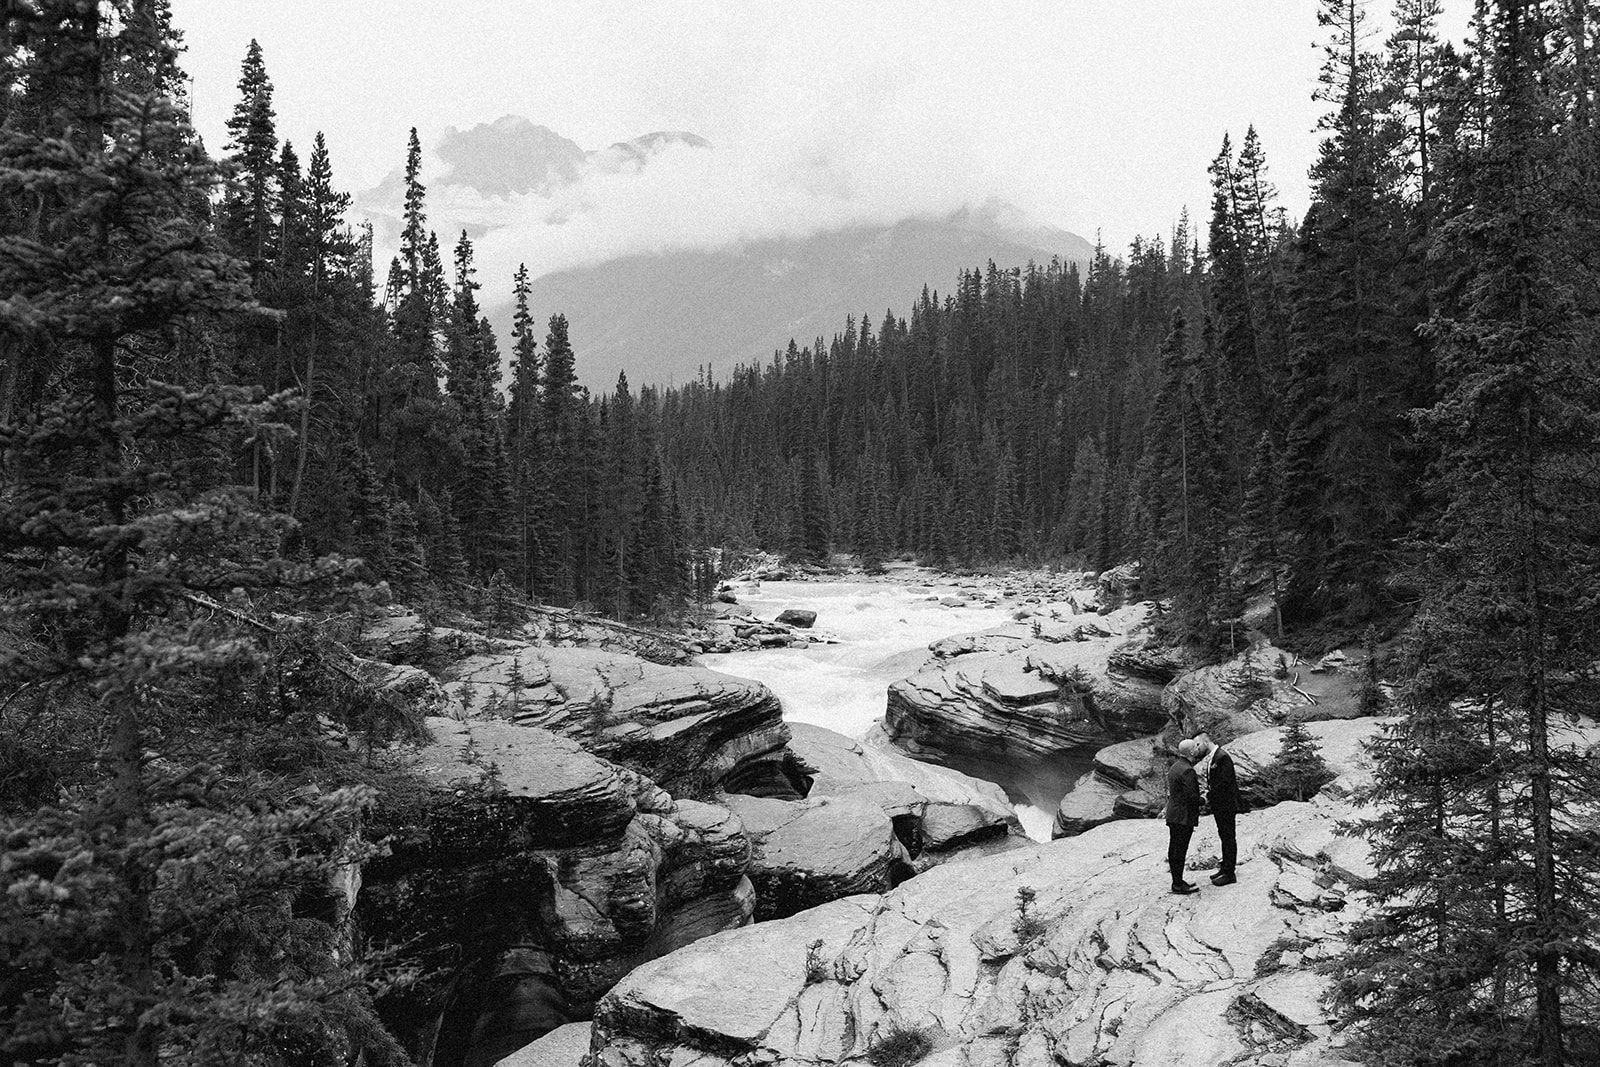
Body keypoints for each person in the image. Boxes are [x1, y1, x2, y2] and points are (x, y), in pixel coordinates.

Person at [1195, 735, 1244, 885]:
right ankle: (1225, 867)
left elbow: (1224, 782)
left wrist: (1208, 796)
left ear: (1205, 741)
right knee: (1224, 835)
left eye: (1198, 744)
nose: (1196, 748)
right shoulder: (1214, 757)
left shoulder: (1222, 757)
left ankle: (1230, 873)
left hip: (1226, 804)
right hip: (1220, 805)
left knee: (1228, 837)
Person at [1165, 738, 1202, 895]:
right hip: (1183, 816)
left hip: (1174, 814)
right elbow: (1191, 797)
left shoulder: (1175, 766)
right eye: (1196, 746)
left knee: (1174, 848)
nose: (1198, 748)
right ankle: (1178, 884)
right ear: (1191, 752)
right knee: (1180, 850)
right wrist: (1204, 800)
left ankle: (1177, 881)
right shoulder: (1188, 770)